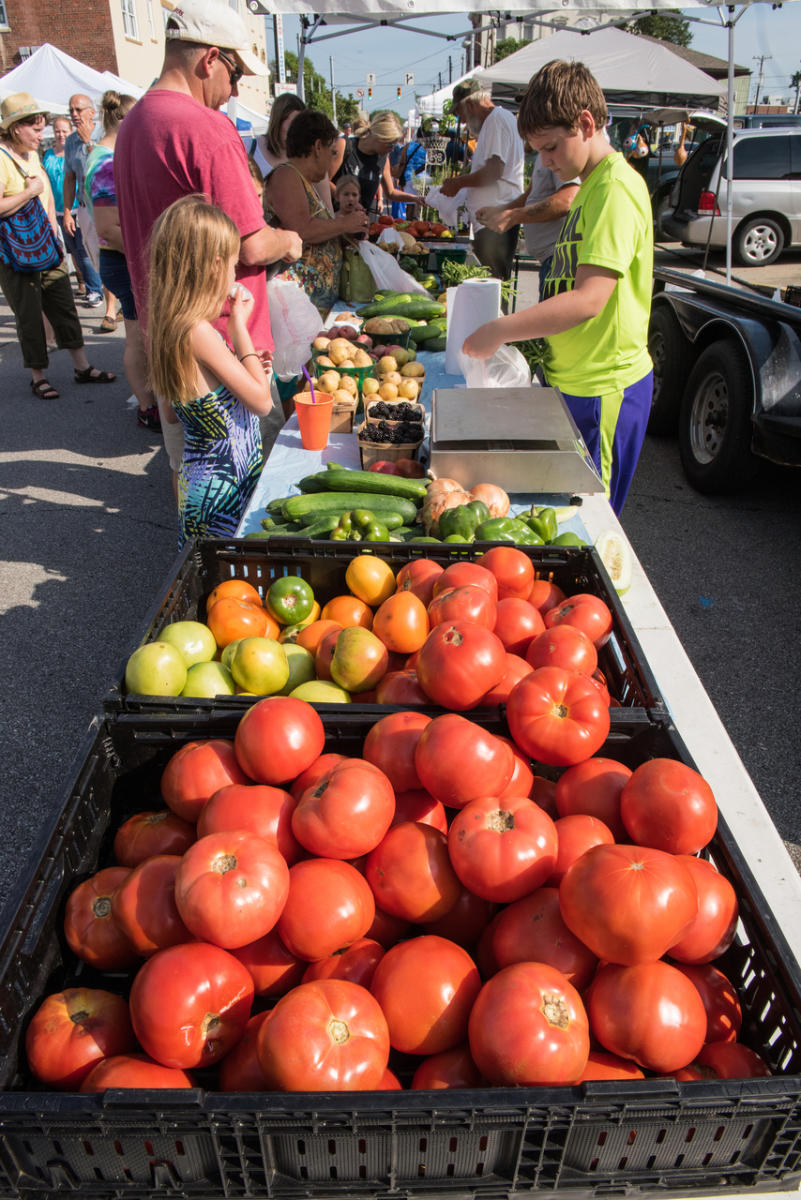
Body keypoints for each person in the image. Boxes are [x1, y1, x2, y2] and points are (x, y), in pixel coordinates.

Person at [114, 0, 302, 485]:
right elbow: (252, 245)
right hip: (224, 342)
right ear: (210, 59)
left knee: (191, 472)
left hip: (170, 335)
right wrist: (289, 238)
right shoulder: (207, 127)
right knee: (259, 494)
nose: (235, 90)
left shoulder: (132, 123)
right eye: (235, 74)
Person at [462, 60, 654, 516]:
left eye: (549, 148)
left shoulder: (615, 190)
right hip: (573, 383)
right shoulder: (590, 186)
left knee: (591, 519)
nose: (544, 161)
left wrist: (501, 329)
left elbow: (589, 300)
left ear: (585, 123)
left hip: (605, 389)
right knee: (564, 515)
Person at [149, 195, 272, 547]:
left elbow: (172, 415)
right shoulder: (199, 332)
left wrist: (242, 368)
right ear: (216, 265)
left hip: (202, 483)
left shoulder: (168, 325)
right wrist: (239, 328)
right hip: (225, 488)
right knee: (227, 589)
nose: (235, 274)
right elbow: (262, 403)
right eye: (234, 265)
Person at [0, 92, 116, 399]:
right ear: (15, 129)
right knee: (28, 314)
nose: (42, 134)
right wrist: (29, 193)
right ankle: (38, 375)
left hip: (44, 243)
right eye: (36, 129)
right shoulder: (1, 157)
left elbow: (46, 194)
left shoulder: (32, 154)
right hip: (14, 251)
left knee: (63, 305)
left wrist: (53, 220)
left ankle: (82, 367)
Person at [83, 90, 160, 430]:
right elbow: (109, 229)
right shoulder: (106, 163)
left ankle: (151, 402)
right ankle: (147, 407)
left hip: (127, 260)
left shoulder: (110, 157)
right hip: (125, 261)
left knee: (143, 337)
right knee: (137, 339)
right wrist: (151, 259)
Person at [263, 110, 369, 312]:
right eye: (332, 152)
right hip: (294, 306)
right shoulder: (286, 175)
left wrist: (349, 229)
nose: (332, 161)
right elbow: (301, 229)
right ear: (318, 147)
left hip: (312, 306)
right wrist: (344, 224)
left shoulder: (304, 181)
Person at [440, 79, 525, 283]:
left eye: (459, 113)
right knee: (490, 283)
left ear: (470, 105)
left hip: (496, 218)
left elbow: (494, 171)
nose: (461, 121)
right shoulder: (497, 121)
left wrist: (458, 183)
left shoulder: (496, 120)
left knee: (492, 284)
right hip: (492, 218)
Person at [475, 155, 580, 302]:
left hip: (558, 262)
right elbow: (530, 196)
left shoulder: (559, 151)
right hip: (548, 262)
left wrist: (513, 217)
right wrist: (501, 211)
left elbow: (567, 200)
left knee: (550, 322)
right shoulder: (544, 153)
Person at [62, 92, 118, 330]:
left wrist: (89, 143)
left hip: (106, 208)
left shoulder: (105, 135)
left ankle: (111, 310)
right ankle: (116, 301)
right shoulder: (70, 142)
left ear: (92, 112)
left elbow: (107, 168)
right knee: (95, 259)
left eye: (78, 110)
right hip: (84, 209)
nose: (74, 115)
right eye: (71, 110)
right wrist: (67, 211)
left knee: (109, 255)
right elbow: (69, 178)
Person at [330, 110, 419, 217]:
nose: (392, 150)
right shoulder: (345, 145)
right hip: (336, 220)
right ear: (379, 137)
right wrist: (349, 201)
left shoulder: (384, 158)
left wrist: (415, 198)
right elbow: (324, 180)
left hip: (363, 223)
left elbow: (390, 193)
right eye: (390, 145)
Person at [42, 115, 86, 298]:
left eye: (64, 131)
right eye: (57, 131)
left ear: (71, 131)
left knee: (82, 249)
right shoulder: (48, 154)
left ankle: (92, 284)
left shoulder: (75, 150)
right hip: (57, 208)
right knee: (71, 249)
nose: (60, 134)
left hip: (76, 206)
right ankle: (82, 281)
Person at [390, 126, 427, 219]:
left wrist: (399, 177)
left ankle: (409, 224)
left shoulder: (408, 146)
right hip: (423, 178)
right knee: (422, 204)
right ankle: (420, 225)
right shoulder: (428, 146)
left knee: (410, 205)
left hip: (409, 178)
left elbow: (402, 162)